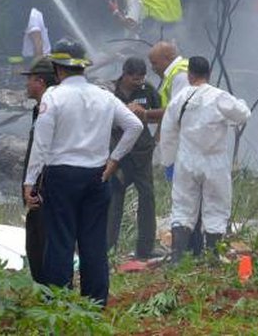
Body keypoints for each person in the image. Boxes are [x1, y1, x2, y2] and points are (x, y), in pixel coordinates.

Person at [22, 40, 143, 306]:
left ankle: (59, 302)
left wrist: (30, 182)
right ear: (83, 68)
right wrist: (114, 160)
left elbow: (41, 145)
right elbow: (134, 125)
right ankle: (95, 302)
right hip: (97, 177)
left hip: (61, 177)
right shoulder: (104, 95)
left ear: (57, 69)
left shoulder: (53, 97)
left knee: (60, 241)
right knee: (93, 243)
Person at [159, 57, 251, 262]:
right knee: (216, 207)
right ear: (209, 74)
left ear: (189, 74)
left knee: (182, 207)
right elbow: (243, 115)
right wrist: (241, 104)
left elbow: (168, 132)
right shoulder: (219, 96)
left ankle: (177, 258)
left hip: (186, 161)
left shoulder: (180, 98)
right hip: (215, 162)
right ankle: (213, 256)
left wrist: (168, 162)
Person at [105, 57, 160, 259]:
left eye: (141, 78)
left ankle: (145, 248)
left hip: (142, 153)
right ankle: (108, 247)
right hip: (118, 152)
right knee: (114, 198)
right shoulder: (110, 91)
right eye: (134, 79)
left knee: (147, 196)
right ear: (124, 75)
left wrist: (155, 132)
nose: (138, 82)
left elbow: (163, 113)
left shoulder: (148, 90)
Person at [19, 56, 57, 283]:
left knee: (42, 242)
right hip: (39, 187)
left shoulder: (49, 109)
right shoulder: (39, 109)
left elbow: (42, 151)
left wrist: (32, 186)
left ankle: (50, 291)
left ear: (41, 82)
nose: (27, 84)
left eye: (30, 79)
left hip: (45, 188)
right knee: (35, 241)